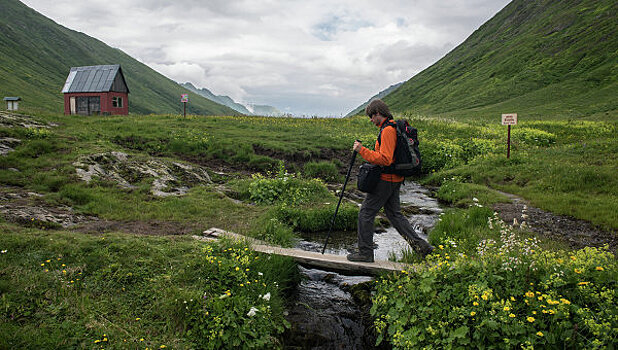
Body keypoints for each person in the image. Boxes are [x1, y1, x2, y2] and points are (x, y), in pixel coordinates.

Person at [347, 99, 434, 262]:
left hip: (386, 180)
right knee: (394, 214)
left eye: (372, 117)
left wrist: (362, 150)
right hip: (395, 180)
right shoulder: (393, 127)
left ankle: (365, 253)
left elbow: (386, 159)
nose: (371, 120)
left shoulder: (387, 130)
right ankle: (422, 247)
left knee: (365, 213)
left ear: (378, 113)